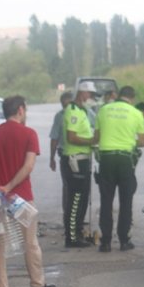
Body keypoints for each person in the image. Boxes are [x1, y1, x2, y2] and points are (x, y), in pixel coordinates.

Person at [0, 95, 57, 287]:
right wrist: (10, 186)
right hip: (21, 198)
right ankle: (37, 285)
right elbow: (28, 166)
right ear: (21, 110)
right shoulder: (29, 134)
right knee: (30, 242)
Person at [95, 86, 144, 252]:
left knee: (106, 201)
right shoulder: (136, 113)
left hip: (107, 159)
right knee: (126, 201)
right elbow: (143, 141)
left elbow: (97, 137)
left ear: (118, 96)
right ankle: (124, 241)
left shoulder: (103, 110)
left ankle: (106, 242)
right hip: (125, 160)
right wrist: (129, 140)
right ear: (132, 98)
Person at [61, 82, 98, 248]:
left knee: (82, 199)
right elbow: (72, 137)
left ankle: (78, 233)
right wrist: (91, 140)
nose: (90, 97)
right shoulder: (73, 111)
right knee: (75, 200)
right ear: (82, 93)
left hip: (83, 158)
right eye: (89, 94)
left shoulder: (82, 111)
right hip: (75, 160)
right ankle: (72, 238)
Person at [49, 90, 75, 227]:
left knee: (78, 189)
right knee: (68, 186)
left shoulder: (85, 113)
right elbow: (54, 138)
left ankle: (75, 218)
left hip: (82, 156)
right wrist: (51, 158)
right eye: (65, 105)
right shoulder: (59, 116)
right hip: (65, 156)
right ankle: (68, 216)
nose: (67, 108)